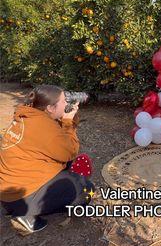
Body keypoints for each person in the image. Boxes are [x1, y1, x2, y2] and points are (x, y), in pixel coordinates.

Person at [0, 85, 94, 233]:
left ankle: (66, 182)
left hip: (9, 192)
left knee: (70, 172)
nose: (66, 104)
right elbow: (70, 151)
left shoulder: (28, 115)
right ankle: (26, 216)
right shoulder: (43, 127)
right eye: (64, 101)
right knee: (87, 190)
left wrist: (67, 118)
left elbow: (53, 146)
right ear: (50, 107)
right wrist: (68, 122)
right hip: (22, 198)